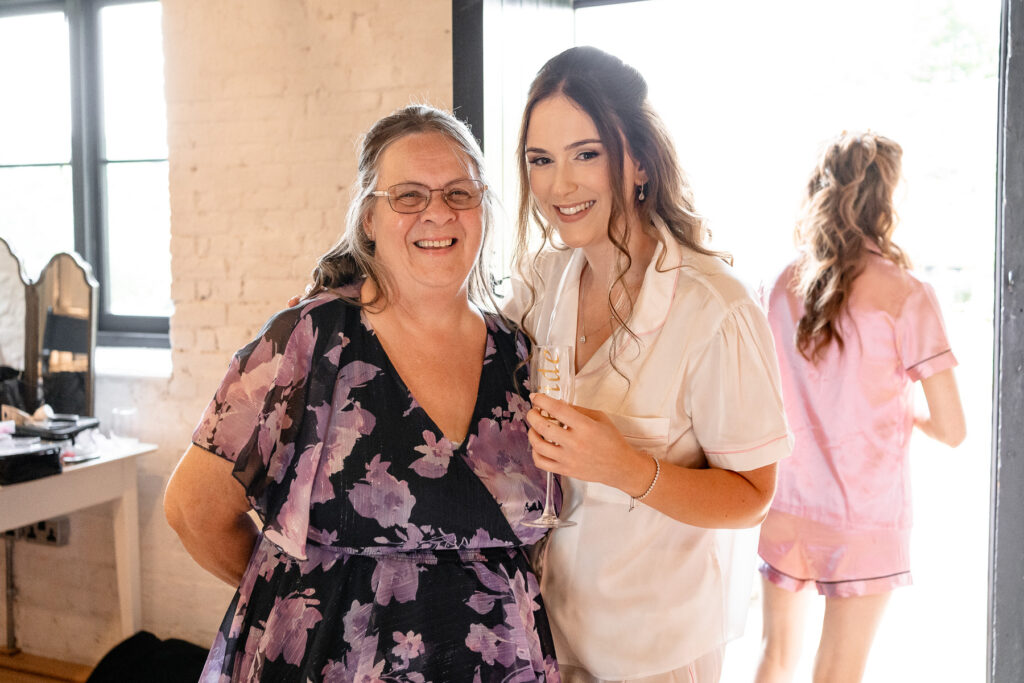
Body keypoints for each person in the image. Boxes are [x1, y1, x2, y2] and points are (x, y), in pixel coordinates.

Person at [163, 104, 561, 681]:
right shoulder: (310, 339)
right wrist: (290, 595)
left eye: (459, 192)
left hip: (498, 663)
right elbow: (193, 510)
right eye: (408, 196)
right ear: (369, 218)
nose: (437, 213)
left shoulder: (517, 354)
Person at [507, 46, 792, 683]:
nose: (561, 185)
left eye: (586, 154)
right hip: (547, 637)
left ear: (637, 160)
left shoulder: (716, 309)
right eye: (540, 160)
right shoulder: (541, 284)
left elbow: (752, 498)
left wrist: (629, 468)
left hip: (656, 651)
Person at [753, 132, 966, 683]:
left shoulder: (780, 285)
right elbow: (952, 428)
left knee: (775, 660)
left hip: (787, 505)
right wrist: (900, 414)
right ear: (886, 200)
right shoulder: (906, 294)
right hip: (864, 520)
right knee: (838, 673)